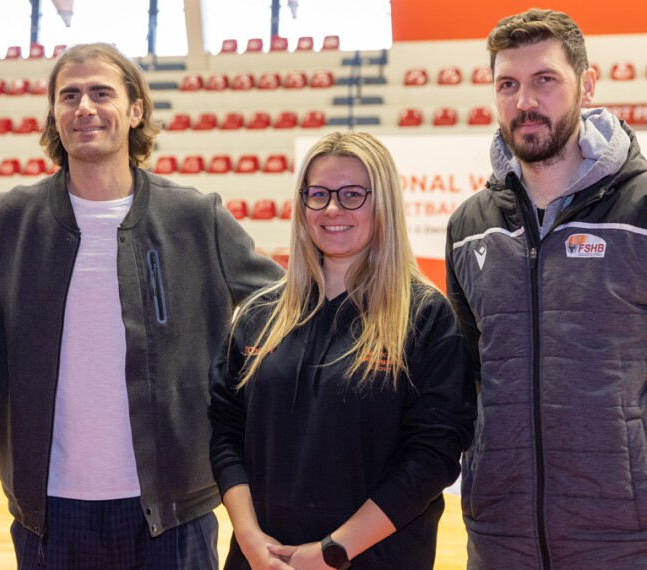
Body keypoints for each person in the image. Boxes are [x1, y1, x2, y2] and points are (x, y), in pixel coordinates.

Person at [0, 42, 283, 568]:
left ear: (135, 110)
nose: (84, 107)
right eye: (69, 96)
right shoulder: (6, 221)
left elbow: (286, 308)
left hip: (174, 510)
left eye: (101, 93)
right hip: (48, 512)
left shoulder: (195, 216)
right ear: (55, 115)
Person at [209, 131, 476, 569]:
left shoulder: (427, 318)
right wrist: (251, 539)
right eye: (319, 194)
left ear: (383, 203)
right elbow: (225, 432)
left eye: (353, 195)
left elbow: (434, 455)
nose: (333, 209)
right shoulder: (259, 314)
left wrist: (334, 551)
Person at [445, 8, 647, 568]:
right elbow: (467, 379)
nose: (524, 102)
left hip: (625, 539)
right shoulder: (469, 226)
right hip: (499, 535)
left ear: (587, 84)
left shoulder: (640, 210)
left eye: (545, 80)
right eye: (507, 84)